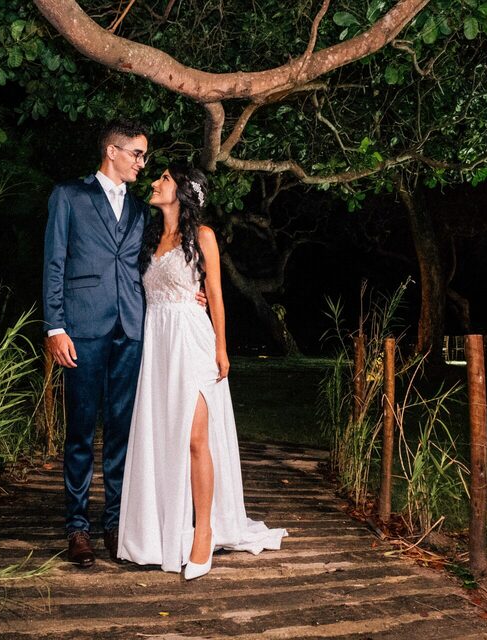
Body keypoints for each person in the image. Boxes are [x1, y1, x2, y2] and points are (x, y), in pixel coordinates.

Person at [116, 163, 287, 579]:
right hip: (157, 343)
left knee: (196, 437)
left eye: (165, 179)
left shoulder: (203, 237)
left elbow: (215, 296)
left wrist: (222, 349)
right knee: (163, 435)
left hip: (192, 341)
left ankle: (204, 532)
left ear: (184, 192)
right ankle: (162, 528)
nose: (155, 183)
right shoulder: (150, 238)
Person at [42, 118, 151, 568]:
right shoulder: (69, 195)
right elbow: (54, 261)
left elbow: (149, 264)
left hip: (132, 329)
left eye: (144, 156)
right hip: (82, 329)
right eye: (137, 154)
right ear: (112, 151)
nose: (143, 163)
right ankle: (77, 527)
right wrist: (55, 327)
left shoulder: (142, 210)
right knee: (81, 432)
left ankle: (115, 524)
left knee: (123, 433)